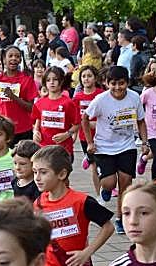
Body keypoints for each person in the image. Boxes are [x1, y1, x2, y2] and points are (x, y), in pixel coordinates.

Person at [31, 145, 114, 266]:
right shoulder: (38, 203)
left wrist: (87, 252)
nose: (37, 178)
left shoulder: (81, 201)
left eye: (43, 172)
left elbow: (108, 227)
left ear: (61, 174)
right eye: (35, 172)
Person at [81, 65, 149, 235]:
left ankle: (121, 219)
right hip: (104, 147)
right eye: (113, 84)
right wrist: (89, 142)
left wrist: (145, 142)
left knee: (125, 184)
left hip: (127, 145)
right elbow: (85, 118)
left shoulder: (134, 98)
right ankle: (105, 188)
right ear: (106, 83)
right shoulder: (101, 100)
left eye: (121, 83)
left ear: (127, 83)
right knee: (109, 183)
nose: (117, 87)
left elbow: (141, 121)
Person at [0, 46, 38, 145]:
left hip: (23, 129)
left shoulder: (27, 80)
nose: (14, 58)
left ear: (20, 60)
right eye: (10, 56)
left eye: (17, 56)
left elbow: (31, 108)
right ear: (4, 59)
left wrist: (14, 97)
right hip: (3, 129)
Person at [32, 66, 80, 156]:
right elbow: (37, 120)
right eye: (48, 80)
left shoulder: (68, 103)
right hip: (44, 148)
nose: (52, 82)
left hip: (63, 149)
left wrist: (67, 134)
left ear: (61, 81)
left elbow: (77, 124)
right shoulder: (39, 102)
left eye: (55, 79)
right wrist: (35, 132)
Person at [72, 66, 104, 199]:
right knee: (95, 167)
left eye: (89, 76)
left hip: (102, 136)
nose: (86, 79)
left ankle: (89, 158)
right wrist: (74, 135)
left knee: (103, 166)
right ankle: (99, 195)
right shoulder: (77, 97)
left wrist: (97, 124)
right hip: (85, 136)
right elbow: (75, 119)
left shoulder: (101, 95)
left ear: (95, 78)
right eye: (83, 76)